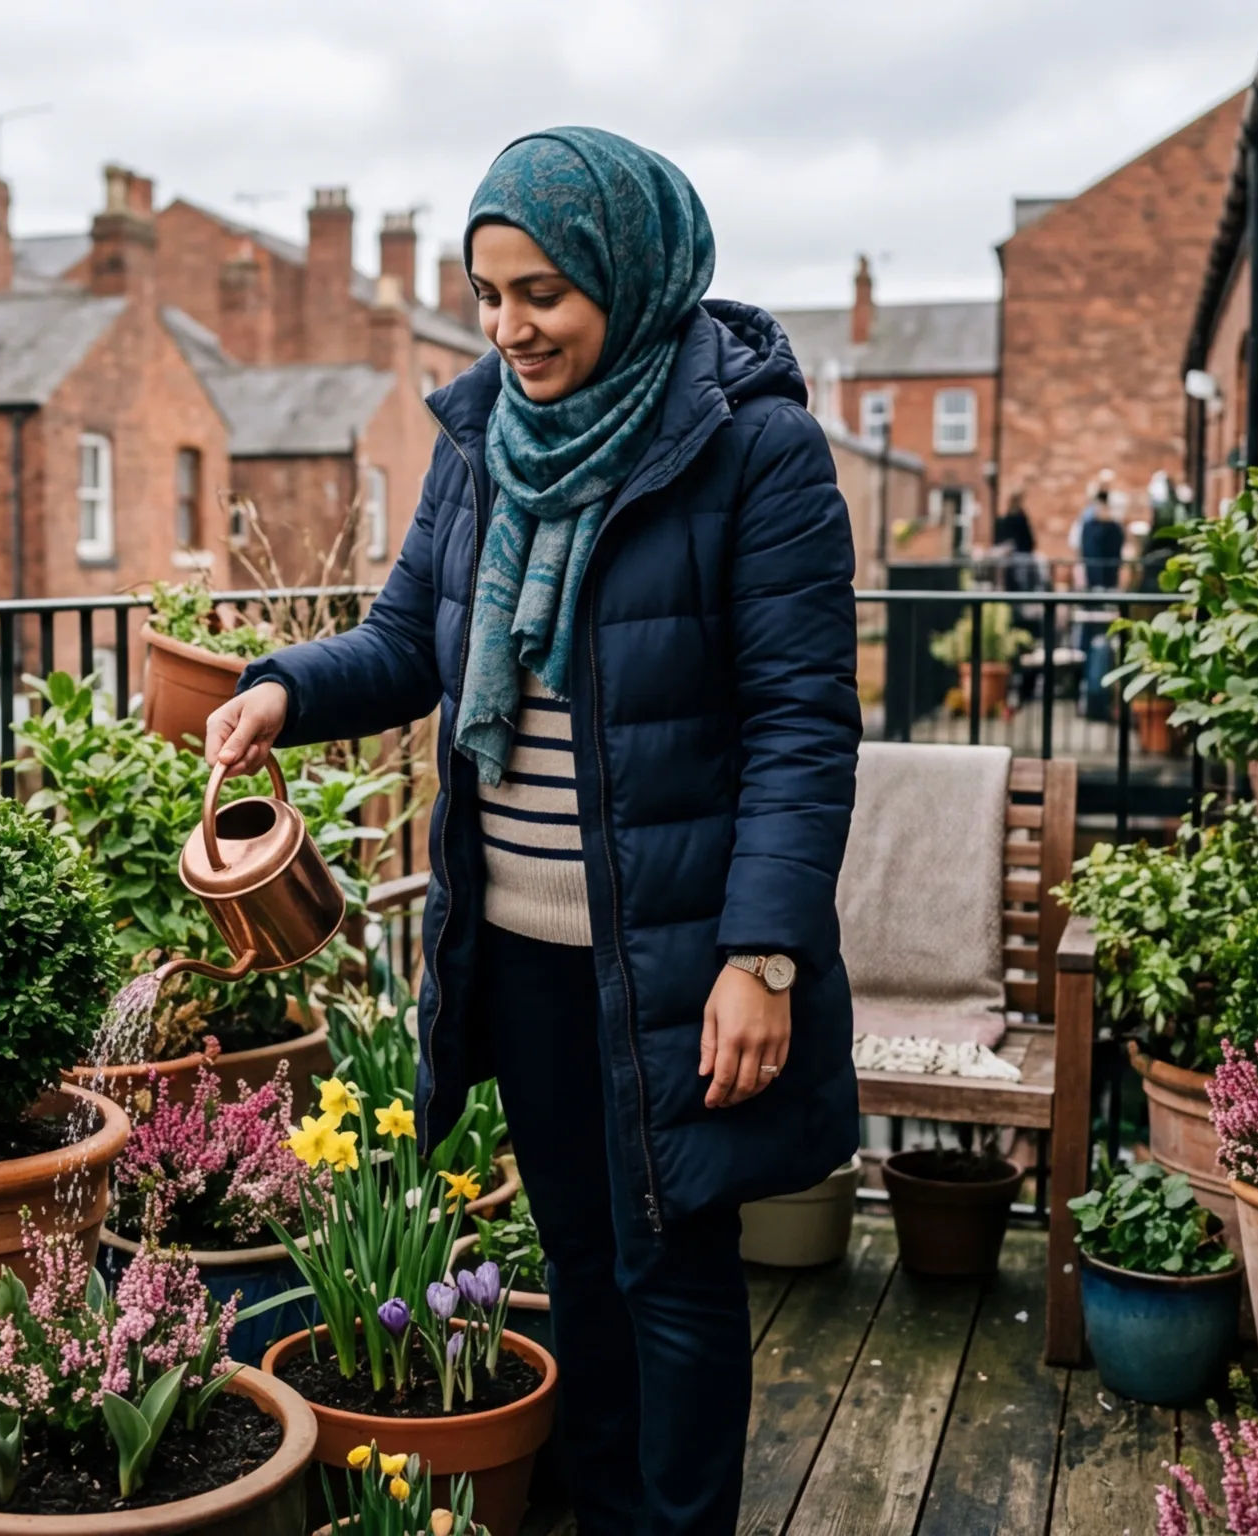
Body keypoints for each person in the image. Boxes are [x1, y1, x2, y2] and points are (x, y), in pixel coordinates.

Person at [202, 127, 860, 1536]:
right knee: (577, 1253)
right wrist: (277, 691)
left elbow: (804, 729)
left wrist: (765, 955)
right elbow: (402, 646)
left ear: (632, 276)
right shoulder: (482, 445)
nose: (511, 328)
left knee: (673, 1272)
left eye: (544, 294)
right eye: (491, 294)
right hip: (524, 946)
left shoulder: (760, 452)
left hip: (685, 958)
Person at [992, 494, 1041, 590]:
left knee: (1022, 579)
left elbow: (1027, 538)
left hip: (1022, 553)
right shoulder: (1012, 518)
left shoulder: (1020, 517)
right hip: (1016, 553)